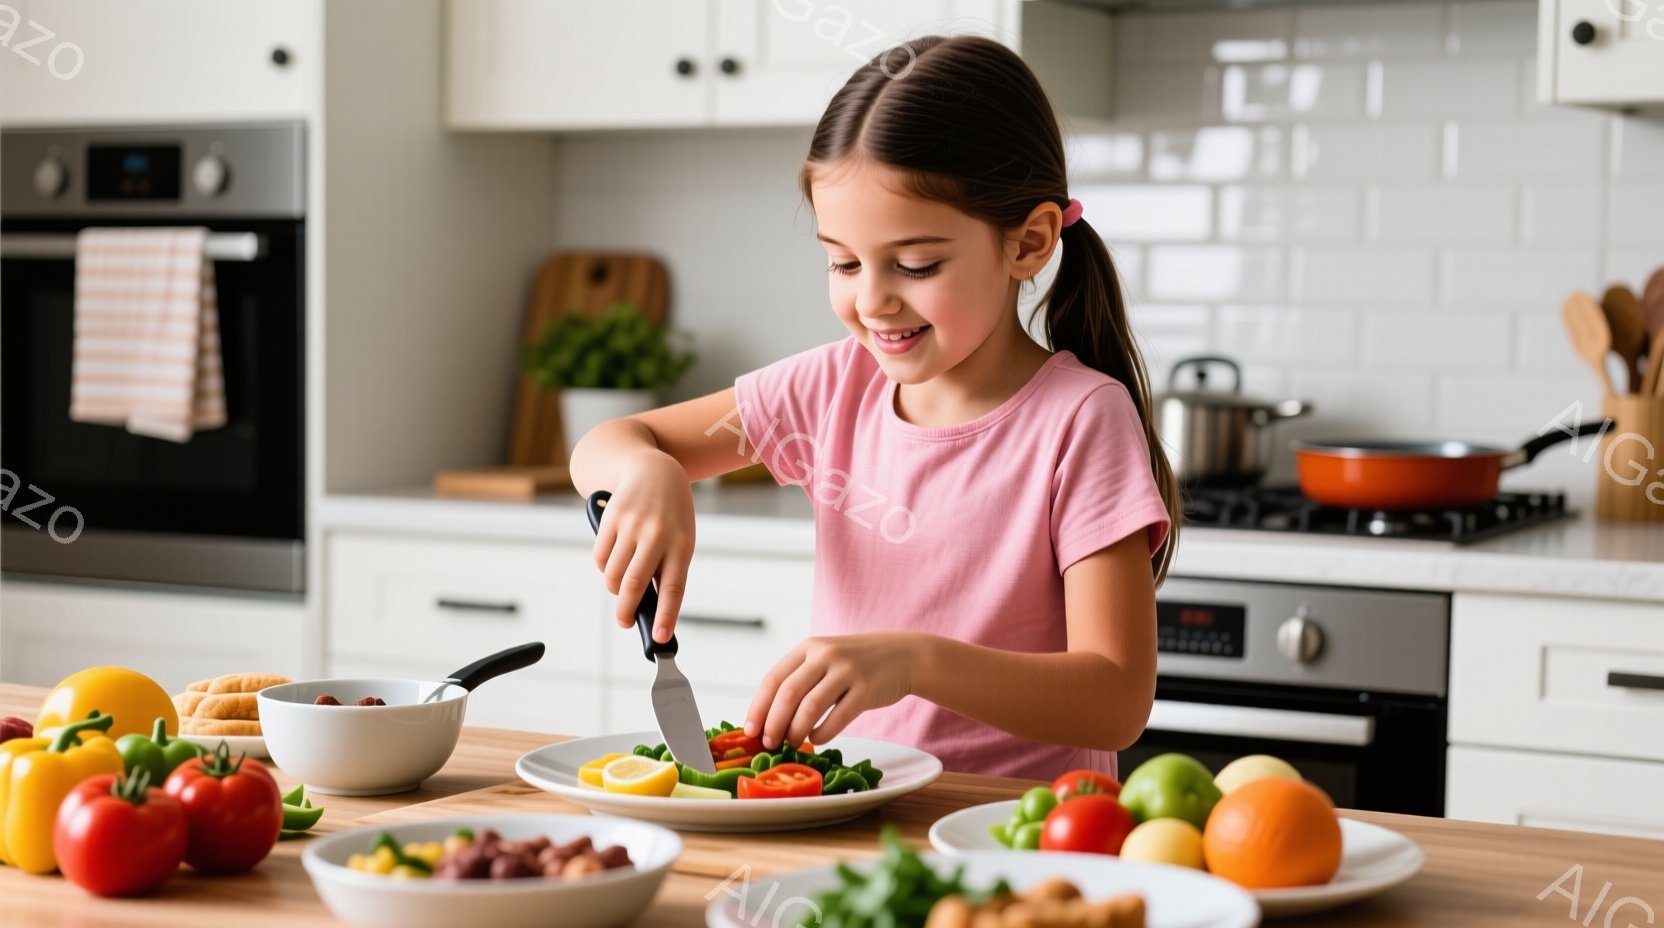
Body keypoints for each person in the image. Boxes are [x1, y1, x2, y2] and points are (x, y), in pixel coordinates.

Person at [569, 34, 1181, 780]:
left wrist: (915, 660)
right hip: (857, 810)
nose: (871, 300)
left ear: (1028, 243)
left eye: (916, 265)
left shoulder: (1080, 419)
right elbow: (606, 441)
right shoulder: (831, 389)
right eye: (843, 261)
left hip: (1018, 836)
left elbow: (1115, 700)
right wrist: (645, 470)